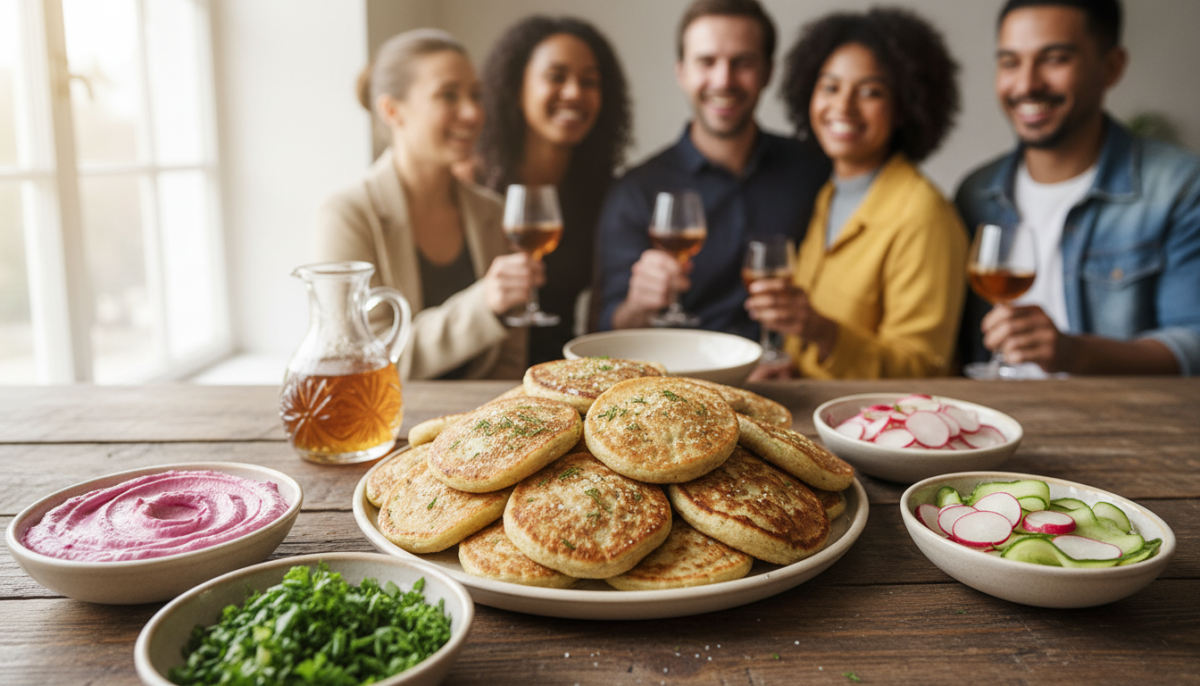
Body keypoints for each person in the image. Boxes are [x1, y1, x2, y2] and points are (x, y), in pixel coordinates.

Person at [956, 0, 1200, 376]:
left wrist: (1076, 354)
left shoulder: (1179, 186)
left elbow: (1193, 343)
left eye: (1054, 59)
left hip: (1120, 427)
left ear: (1111, 67)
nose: (1026, 84)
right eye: (1010, 62)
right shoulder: (975, 192)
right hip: (995, 423)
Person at [744, 8, 968, 379]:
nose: (843, 107)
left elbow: (923, 369)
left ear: (903, 108)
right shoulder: (829, 194)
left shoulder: (924, 216)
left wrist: (822, 331)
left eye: (870, 92)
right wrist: (792, 369)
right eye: (830, 87)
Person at [595, 0, 829, 338]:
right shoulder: (635, 191)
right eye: (707, 61)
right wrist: (638, 305)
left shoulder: (814, 171)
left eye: (742, 62)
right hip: (683, 383)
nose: (723, 80)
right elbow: (609, 329)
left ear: (767, 73)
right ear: (682, 72)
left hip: (795, 379)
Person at [314, 30, 535, 381]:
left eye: (476, 96)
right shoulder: (348, 214)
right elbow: (360, 361)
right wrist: (482, 304)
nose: (473, 112)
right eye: (448, 96)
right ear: (391, 110)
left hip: (483, 426)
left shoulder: (493, 213)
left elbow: (510, 358)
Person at [476, 16, 632, 364]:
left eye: (589, 81)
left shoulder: (605, 193)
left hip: (564, 373)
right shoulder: (473, 182)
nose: (574, 92)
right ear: (516, 88)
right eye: (556, 77)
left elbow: (599, 316)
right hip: (481, 382)